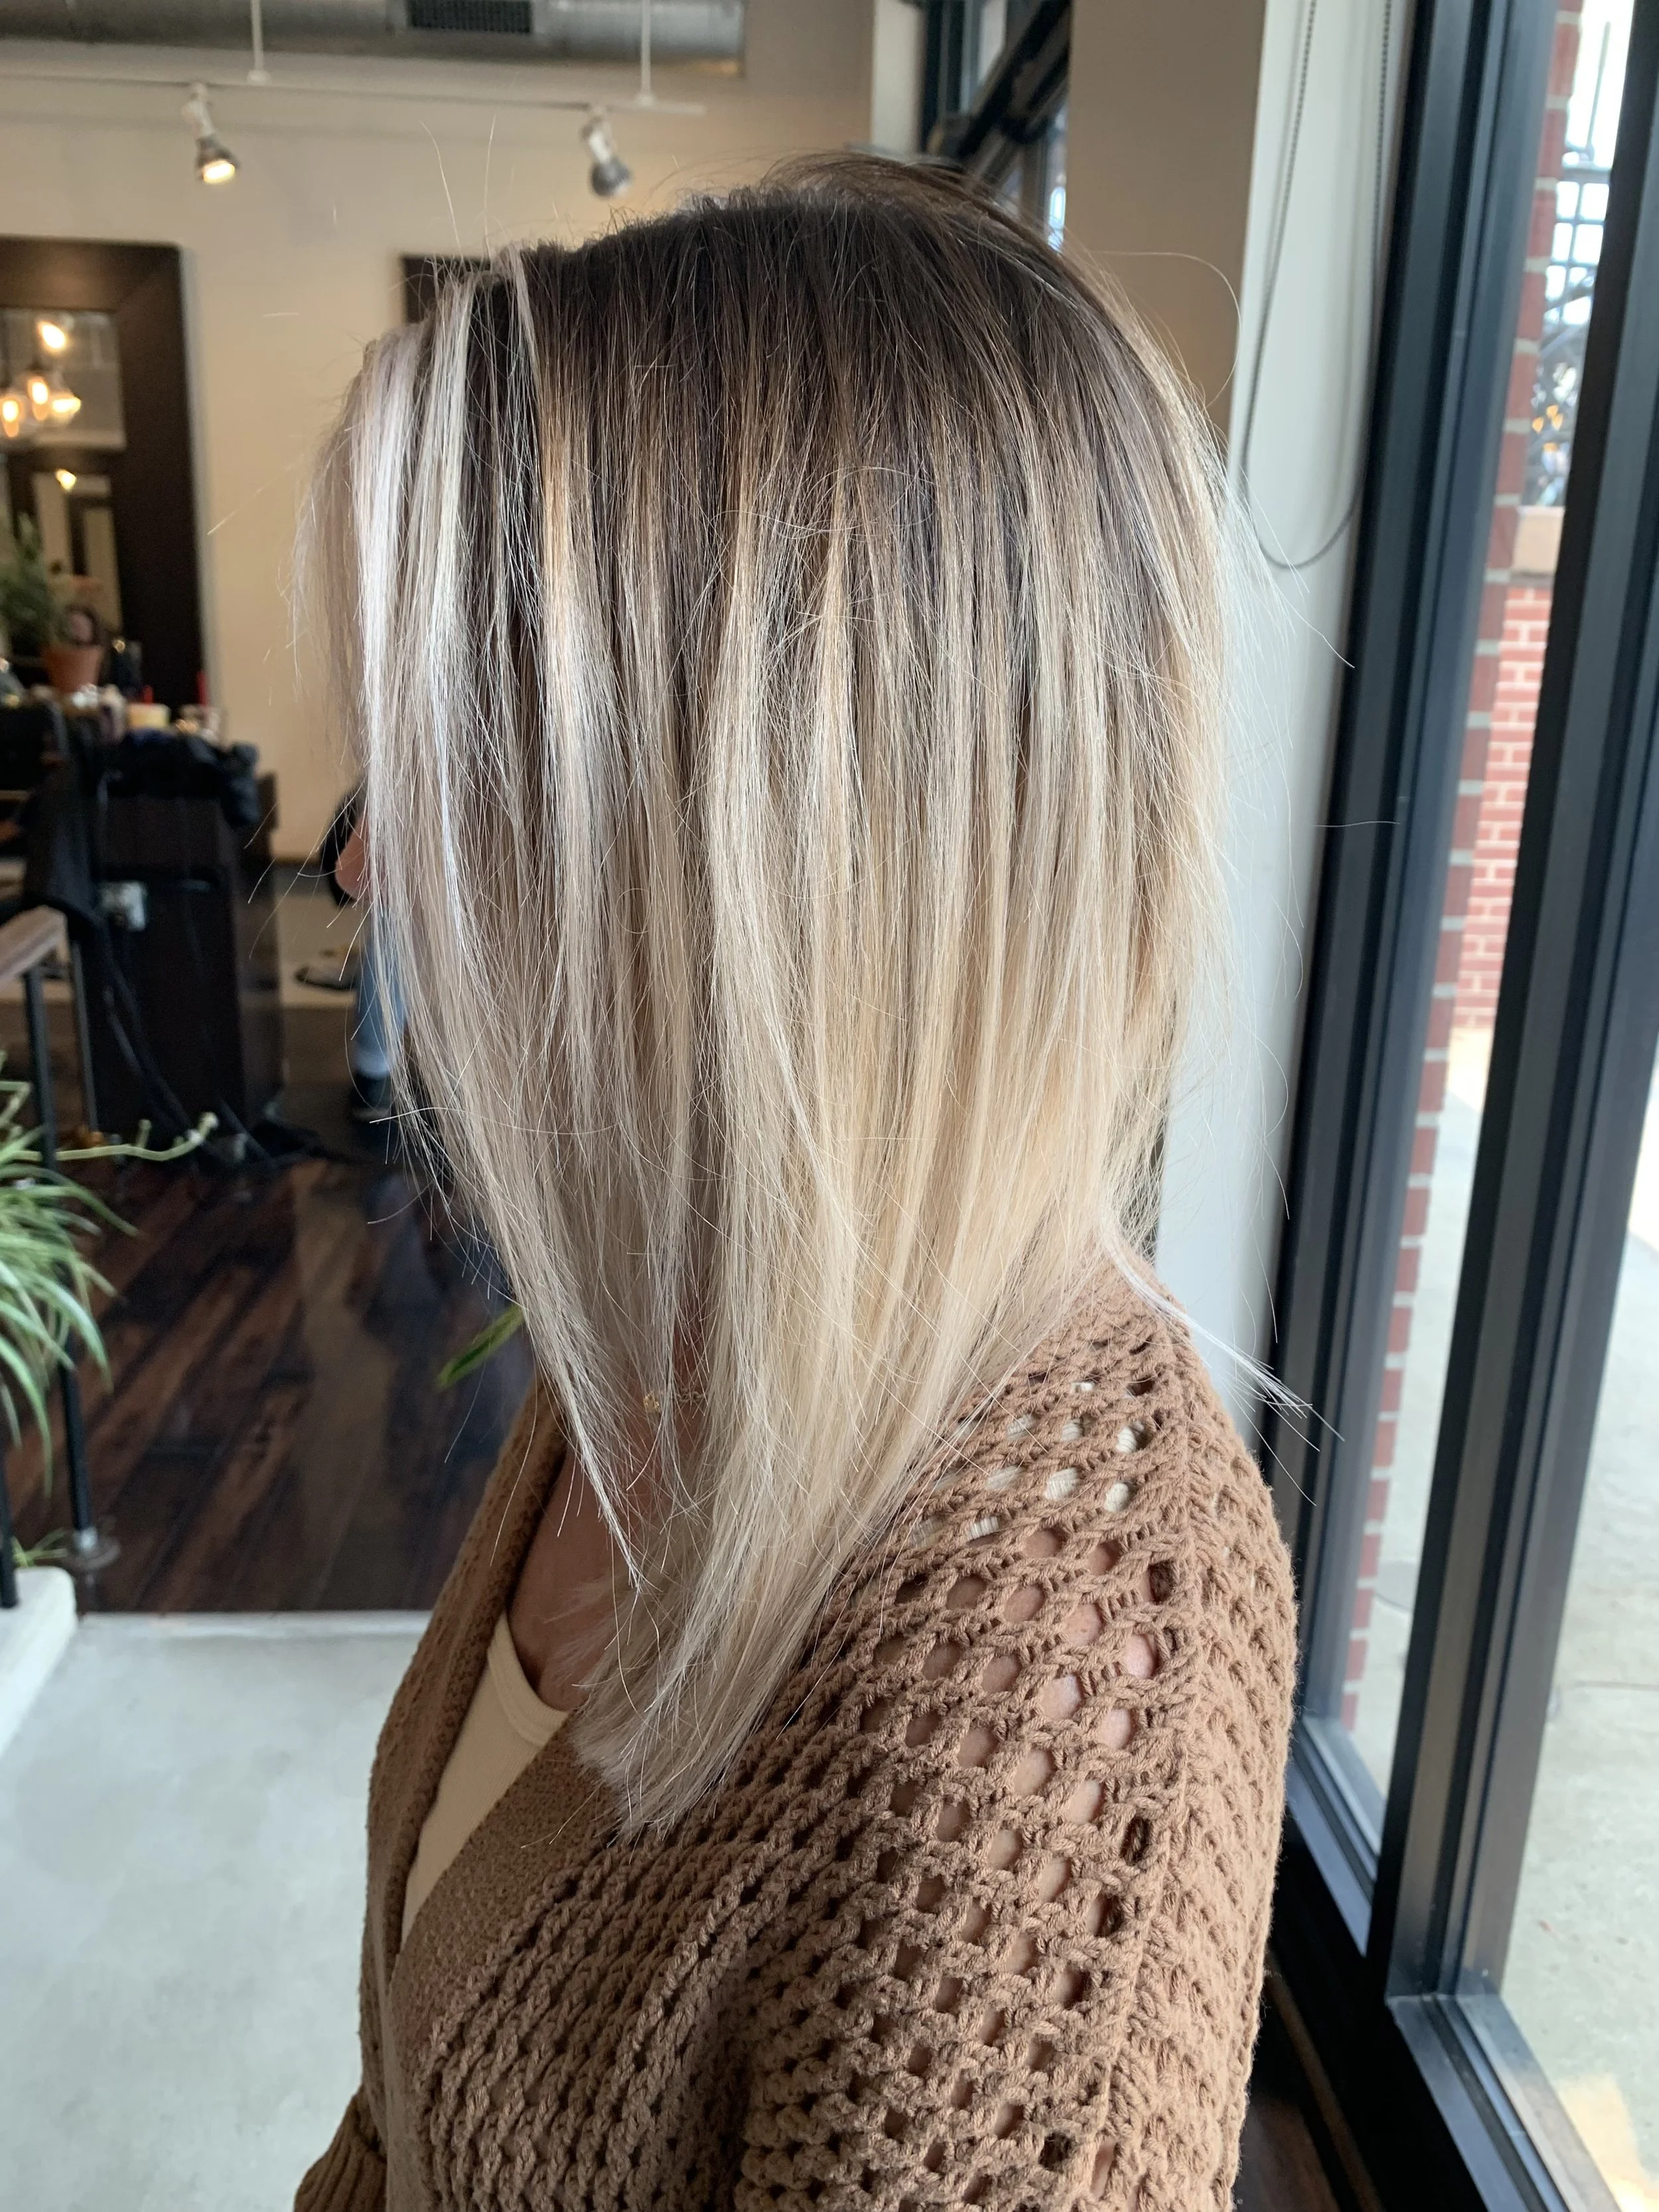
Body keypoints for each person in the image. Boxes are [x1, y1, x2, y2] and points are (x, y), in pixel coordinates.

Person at [297, 156, 1295, 2212]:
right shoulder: (676, 1316)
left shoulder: (1056, 1686)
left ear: (762, 852)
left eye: (470, 768)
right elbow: (406, 2095)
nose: (374, 873)